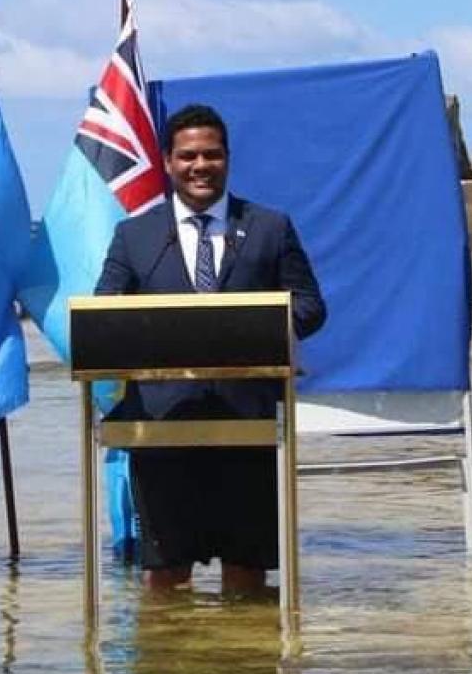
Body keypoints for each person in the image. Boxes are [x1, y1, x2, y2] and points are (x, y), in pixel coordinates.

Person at [94, 103, 326, 594]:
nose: (201, 165)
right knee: (165, 574)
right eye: (189, 156)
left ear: (227, 159)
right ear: (168, 162)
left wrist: (252, 329)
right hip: (160, 427)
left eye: (212, 155)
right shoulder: (135, 236)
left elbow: (310, 306)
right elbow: (104, 312)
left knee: (246, 571)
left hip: (249, 422)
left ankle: (240, 668)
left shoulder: (269, 227)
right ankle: (168, 666)